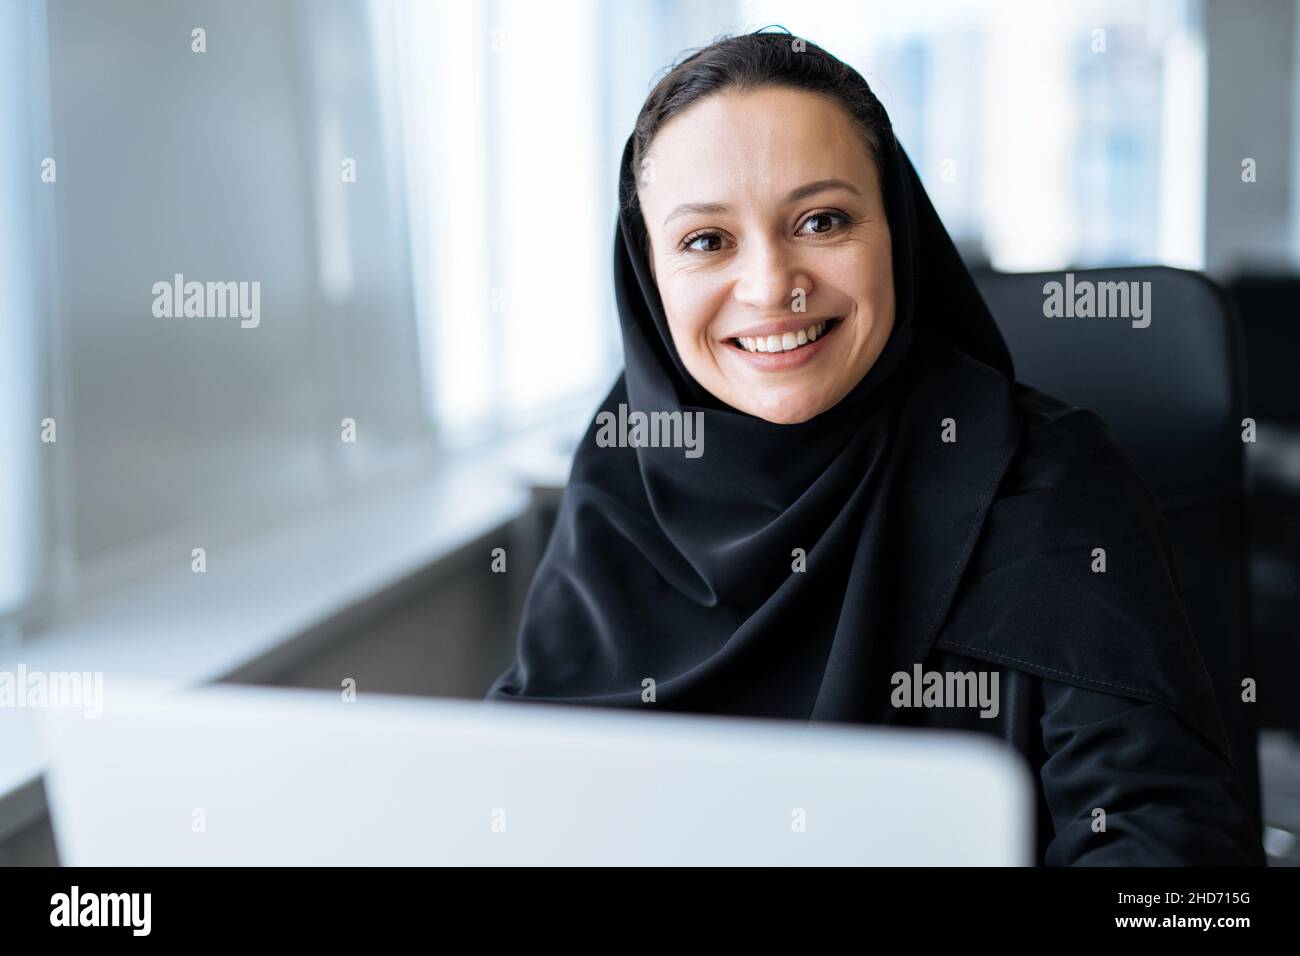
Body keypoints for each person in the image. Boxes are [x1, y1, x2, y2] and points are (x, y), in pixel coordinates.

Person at [485, 29, 1265, 866]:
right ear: (648, 275)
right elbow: (519, 800)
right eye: (707, 240)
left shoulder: (1045, 477)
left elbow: (1172, 852)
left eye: (821, 221)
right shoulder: (622, 479)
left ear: (897, 231)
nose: (769, 286)